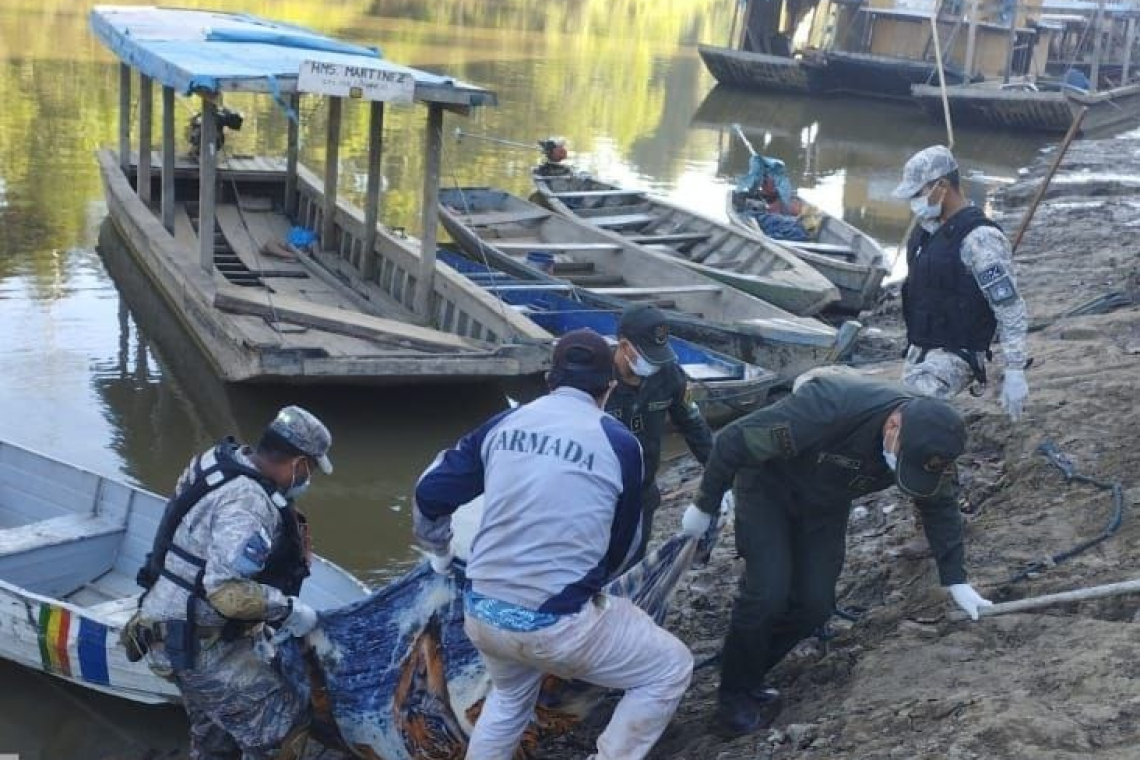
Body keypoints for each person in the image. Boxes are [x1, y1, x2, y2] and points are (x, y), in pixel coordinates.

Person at [414, 329, 693, 760]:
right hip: (555, 623)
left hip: (482, 611)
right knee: (670, 667)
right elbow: (623, 546)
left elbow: (430, 492)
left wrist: (440, 551)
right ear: (608, 389)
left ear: (549, 379)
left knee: (508, 700)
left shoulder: (506, 423)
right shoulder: (621, 444)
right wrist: (588, 590)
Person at [678, 375, 992, 735]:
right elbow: (733, 440)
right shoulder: (829, 407)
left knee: (815, 603)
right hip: (768, 488)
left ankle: (748, 672)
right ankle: (733, 696)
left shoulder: (933, 443)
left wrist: (956, 579)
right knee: (767, 591)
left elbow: (941, 506)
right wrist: (705, 505)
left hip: (826, 504)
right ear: (894, 424)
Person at [130, 406, 333, 760]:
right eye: (311, 469)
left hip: (169, 629)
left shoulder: (217, 460)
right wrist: (288, 610)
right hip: (202, 647)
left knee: (216, 738)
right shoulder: (249, 503)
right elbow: (227, 592)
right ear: (300, 463)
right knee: (287, 731)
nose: (307, 478)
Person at [892, 145, 1030, 420]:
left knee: (907, 412)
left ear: (942, 186)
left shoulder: (980, 240)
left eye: (919, 193)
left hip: (958, 352)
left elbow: (1009, 306)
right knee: (890, 413)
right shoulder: (926, 232)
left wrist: (1015, 369)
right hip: (922, 347)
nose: (915, 203)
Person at [606, 304, 713, 561]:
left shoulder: (668, 375)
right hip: (600, 491)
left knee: (632, 562)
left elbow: (693, 426)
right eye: (647, 355)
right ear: (623, 346)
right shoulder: (598, 379)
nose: (652, 364)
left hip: (642, 490)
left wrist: (721, 471)